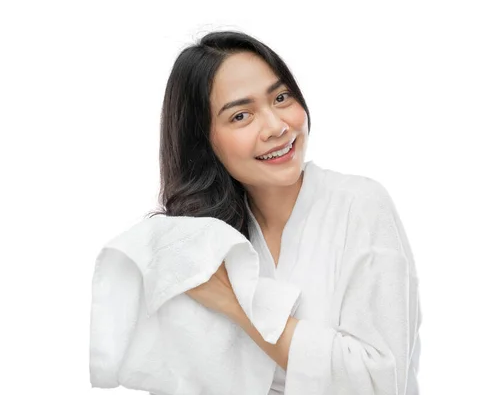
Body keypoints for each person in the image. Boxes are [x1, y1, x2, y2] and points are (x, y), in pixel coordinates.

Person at [147, 30, 422, 395]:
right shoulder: (202, 240)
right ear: (203, 140)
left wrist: (235, 304)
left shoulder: (359, 205)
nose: (277, 126)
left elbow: (378, 381)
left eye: (281, 97)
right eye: (241, 115)